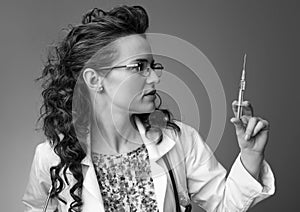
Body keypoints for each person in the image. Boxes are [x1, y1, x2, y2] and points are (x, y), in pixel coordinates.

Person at [22, 5, 275, 212]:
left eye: (153, 66)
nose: (154, 78)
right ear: (94, 80)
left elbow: (225, 205)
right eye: (139, 66)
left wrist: (251, 155)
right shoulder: (52, 157)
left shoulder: (179, 140)